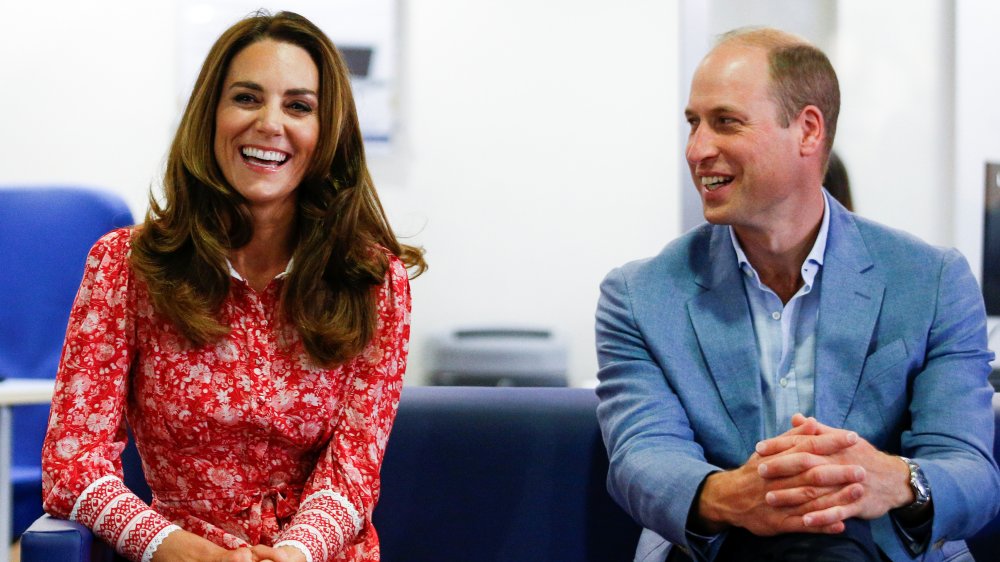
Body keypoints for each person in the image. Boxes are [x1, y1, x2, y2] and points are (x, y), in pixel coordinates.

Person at [594, 27, 999, 562]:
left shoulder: (933, 280)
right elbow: (642, 457)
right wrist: (729, 495)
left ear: (808, 130)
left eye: (725, 123)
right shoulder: (638, 296)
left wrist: (892, 479)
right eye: (693, 124)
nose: (697, 150)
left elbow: (969, 470)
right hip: (719, 552)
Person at [41, 11, 425, 562]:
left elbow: (352, 473)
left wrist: (293, 553)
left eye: (299, 106)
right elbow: (73, 462)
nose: (271, 123)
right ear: (211, 115)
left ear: (327, 133)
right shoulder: (124, 267)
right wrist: (173, 548)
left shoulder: (372, 280)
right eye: (247, 98)